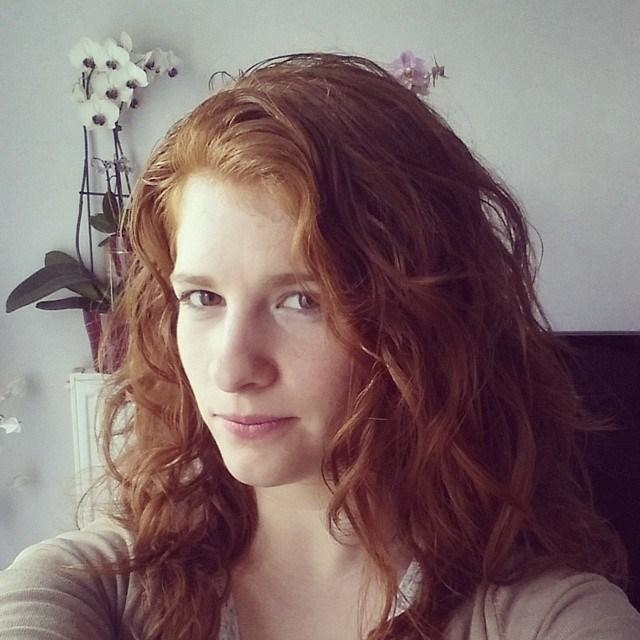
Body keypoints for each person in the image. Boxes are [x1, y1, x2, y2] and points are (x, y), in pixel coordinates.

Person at [1, 52, 639, 640]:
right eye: (203, 297)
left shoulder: (551, 618)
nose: (232, 368)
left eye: (303, 301)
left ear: (426, 323)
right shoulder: (94, 587)